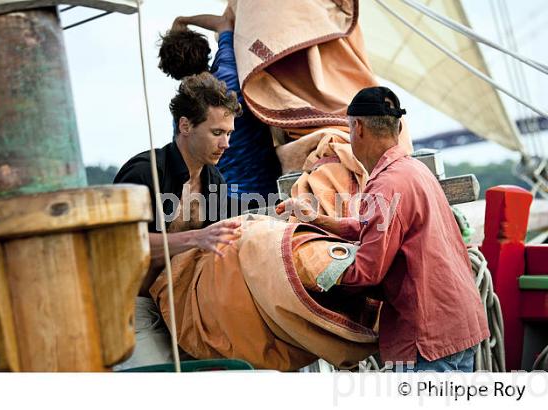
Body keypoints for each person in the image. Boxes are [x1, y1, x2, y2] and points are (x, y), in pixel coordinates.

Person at [277, 86, 490, 372]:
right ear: (398, 126)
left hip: (427, 342)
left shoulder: (387, 185)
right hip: (459, 327)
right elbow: (375, 226)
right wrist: (316, 219)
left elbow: (367, 272)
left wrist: (305, 275)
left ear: (359, 128)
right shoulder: (415, 171)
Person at [113, 72, 243, 369]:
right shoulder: (145, 172)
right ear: (185, 125)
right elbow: (122, 246)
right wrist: (195, 237)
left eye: (230, 134)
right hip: (130, 310)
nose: (226, 144)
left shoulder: (215, 180)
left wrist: (279, 214)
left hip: (184, 309)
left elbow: (231, 228)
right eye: (216, 132)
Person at [158, 9, 282, 203]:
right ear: (205, 52)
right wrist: (183, 20)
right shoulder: (229, 73)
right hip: (268, 188)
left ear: (170, 71)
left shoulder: (183, 115)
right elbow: (224, 23)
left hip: (222, 202)